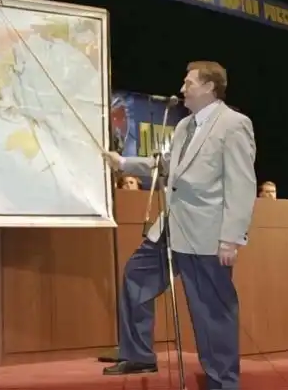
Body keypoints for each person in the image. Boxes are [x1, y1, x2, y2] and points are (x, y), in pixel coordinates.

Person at [101, 61, 257, 390]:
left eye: (189, 83)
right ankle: (139, 354)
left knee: (211, 312)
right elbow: (170, 165)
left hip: (206, 234)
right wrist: (124, 162)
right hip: (171, 225)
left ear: (209, 87)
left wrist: (231, 238)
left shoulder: (234, 124)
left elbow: (242, 185)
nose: (182, 89)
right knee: (136, 275)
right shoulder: (185, 125)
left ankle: (223, 383)